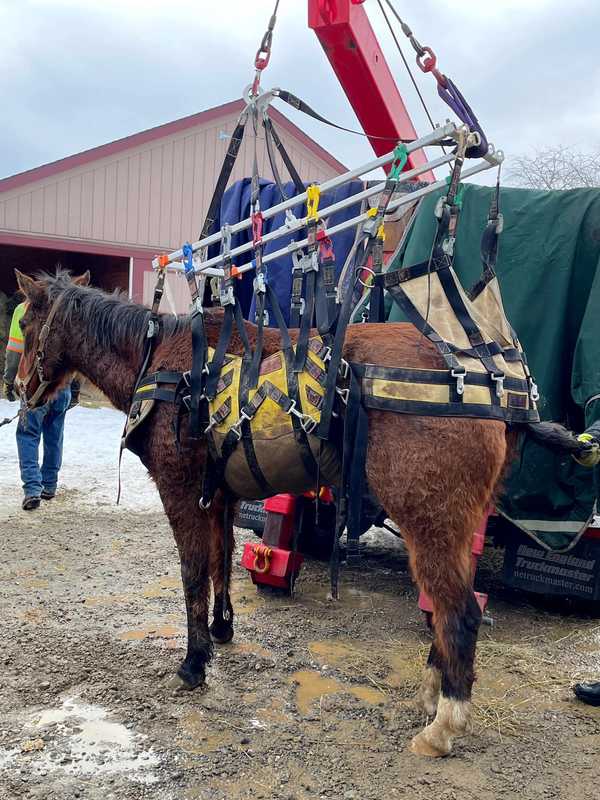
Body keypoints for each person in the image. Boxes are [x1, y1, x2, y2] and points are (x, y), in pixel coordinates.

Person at [3, 299, 79, 511]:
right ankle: (49, 485)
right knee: (54, 436)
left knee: (28, 434)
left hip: (34, 385)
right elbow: (77, 356)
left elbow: (14, 352)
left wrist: (9, 382)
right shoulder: (62, 310)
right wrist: (74, 391)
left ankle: (32, 489)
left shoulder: (23, 309)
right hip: (61, 387)